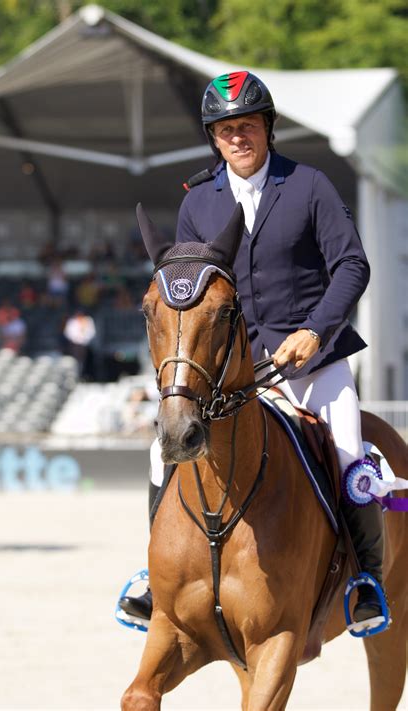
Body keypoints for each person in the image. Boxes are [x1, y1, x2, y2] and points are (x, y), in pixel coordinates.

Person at [119, 70, 386, 628]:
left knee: (347, 450)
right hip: (237, 372)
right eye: (226, 129)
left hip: (314, 362)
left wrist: (315, 329)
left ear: (267, 129)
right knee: (162, 452)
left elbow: (352, 266)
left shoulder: (309, 185)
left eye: (247, 126)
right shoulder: (198, 204)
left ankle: (366, 579)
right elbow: (193, 291)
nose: (238, 137)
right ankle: (156, 577)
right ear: (214, 138)